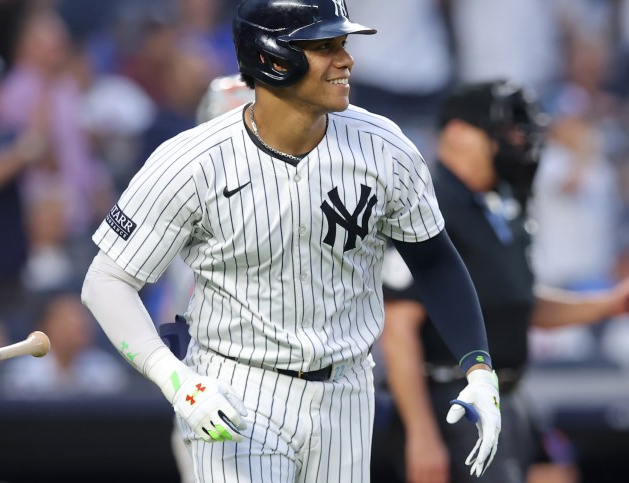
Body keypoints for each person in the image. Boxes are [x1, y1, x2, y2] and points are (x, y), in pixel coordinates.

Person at [82, 1, 502, 481]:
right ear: (273, 58)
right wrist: (177, 381)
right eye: (324, 47)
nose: (346, 60)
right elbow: (106, 281)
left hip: (347, 393)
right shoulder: (191, 161)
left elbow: (435, 262)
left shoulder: (385, 146)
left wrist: (479, 368)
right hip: (238, 390)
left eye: (342, 45)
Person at [379, 80, 629, 483]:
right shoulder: (425, 205)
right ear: (458, 135)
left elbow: (519, 303)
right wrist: (422, 435)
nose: (518, 142)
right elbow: (400, 328)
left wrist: (611, 303)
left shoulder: (502, 204)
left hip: (511, 392)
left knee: (556, 473)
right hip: (453, 396)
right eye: (504, 132)